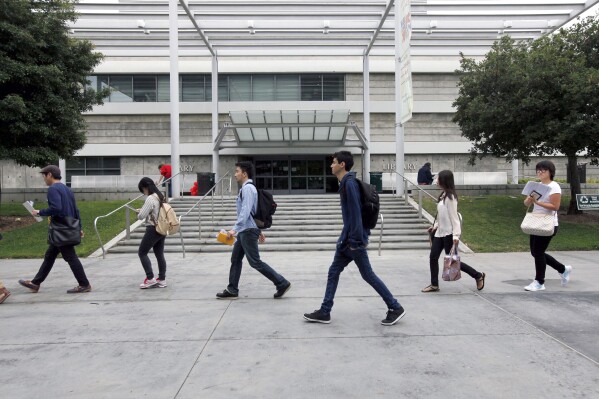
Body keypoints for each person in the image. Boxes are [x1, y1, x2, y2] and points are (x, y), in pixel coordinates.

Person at [304, 151, 406, 326]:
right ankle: (325, 311)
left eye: (333, 162)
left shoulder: (349, 184)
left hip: (353, 241)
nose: (331, 165)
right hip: (347, 240)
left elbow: (356, 214)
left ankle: (395, 307)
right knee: (333, 272)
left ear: (342, 164)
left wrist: (356, 241)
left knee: (368, 275)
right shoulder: (345, 183)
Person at [216, 161, 291, 300]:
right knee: (236, 259)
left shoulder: (248, 189)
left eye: (237, 171)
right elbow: (252, 213)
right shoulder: (247, 188)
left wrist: (234, 230)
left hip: (247, 230)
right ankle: (232, 289)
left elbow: (245, 212)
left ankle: (281, 282)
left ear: (244, 173)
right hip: (247, 229)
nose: (235, 174)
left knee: (255, 262)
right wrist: (258, 230)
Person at [18, 165, 91, 294]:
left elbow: (56, 208)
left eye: (44, 175)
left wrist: (39, 212)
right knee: (50, 255)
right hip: (68, 227)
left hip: (60, 229)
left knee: (71, 257)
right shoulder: (67, 189)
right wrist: (79, 227)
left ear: (50, 175)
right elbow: (76, 210)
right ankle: (36, 283)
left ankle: (84, 284)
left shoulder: (53, 189)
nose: (44, 178)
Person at [422, 169, 486, 293]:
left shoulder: (450, 198)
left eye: (438, 178)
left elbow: (454, 217)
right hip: (440, 233)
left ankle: (478, 275)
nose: (436, 180)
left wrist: (456, 235)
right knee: (433, 257)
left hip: (449, 234)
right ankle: (434, 285)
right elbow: (442, 215)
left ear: (444, 180)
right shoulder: (443, 195)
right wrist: (435, 226)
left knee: (452, 261)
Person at [523, 160, 572, 291]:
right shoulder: (536, 185)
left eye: (543, 170)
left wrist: (537, 202)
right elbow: (526, 204)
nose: (540, 172)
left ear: (550, 172)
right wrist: (529, 198)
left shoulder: (554, 186)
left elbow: (555, 207)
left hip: (548, 223)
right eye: (538, 170)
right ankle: (563, 269)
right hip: (536, 221)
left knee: (538, 252)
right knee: (535, 252)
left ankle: (539, 282)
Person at [135, 177, 168, 289]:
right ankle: (162, 279)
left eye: (143, 190)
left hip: (152, 229)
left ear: (145, 188)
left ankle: (150, 279)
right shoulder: (160, 196)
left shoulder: (150, 198)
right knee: (159, 254)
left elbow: (141, 216)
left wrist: (139, 212)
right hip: (162, 228)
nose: (143, 192)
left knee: (142, 252)